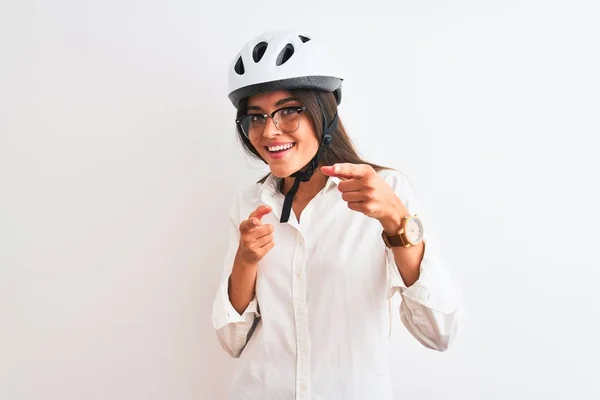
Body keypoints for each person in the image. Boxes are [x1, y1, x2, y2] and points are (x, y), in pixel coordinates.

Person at [211, 29, 463, 400]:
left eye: (289, 111)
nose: (269, 130)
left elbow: (439, 333)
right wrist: (246, 259)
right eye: (256, 117)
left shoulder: (385, 191)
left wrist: (396, 221)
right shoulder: (249, 203)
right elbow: (232, 340)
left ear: (323, 112)